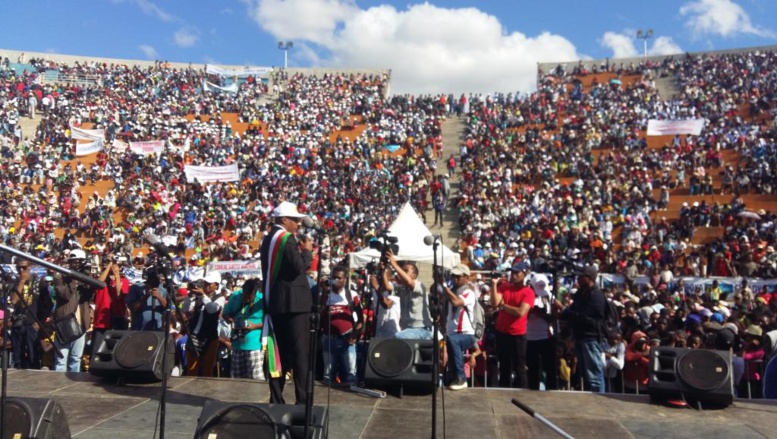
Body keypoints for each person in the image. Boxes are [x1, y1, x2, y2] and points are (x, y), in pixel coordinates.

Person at [260, 201, 313, 405]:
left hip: (277, 303)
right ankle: (302, 401)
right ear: (284, 220)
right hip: (295, 305)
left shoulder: (268, 239)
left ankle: (276, 398)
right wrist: (307, 252)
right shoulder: (286, 239)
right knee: (300, 354)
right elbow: (298, 267)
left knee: (278, 354)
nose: (298, 224)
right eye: (295, 220)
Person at [560, 265, 607, 392]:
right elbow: (573, 311)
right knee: (587, 374)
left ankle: (600, 401)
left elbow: (585, 317)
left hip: (590, 337)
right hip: (580, 335)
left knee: (594, 375)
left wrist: (568, 312)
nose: (579, 279)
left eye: (582, 276)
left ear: (590, 278)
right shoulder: (581, 293)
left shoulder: (596, 295)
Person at [490, 261, 534, 388]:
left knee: (519, 368)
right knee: (504, 367)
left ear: (524, 274)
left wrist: (503, 306)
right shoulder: (504, 287)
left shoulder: (528, 292)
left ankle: (522, 394)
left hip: (517, 334)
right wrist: (493, 285)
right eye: (512, 272)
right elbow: (494, 303)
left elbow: (520, 312)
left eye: (517, 272)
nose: (513, 275)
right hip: (502, 332)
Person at [51, 250, 94, 372]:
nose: (77, 264)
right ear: (69, 262)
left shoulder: (85, 277)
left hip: (81, 323)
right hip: (64, 322)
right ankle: (59, 385)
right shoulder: (60, 276)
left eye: (80, 262)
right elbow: (65, 295)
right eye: (75, 262)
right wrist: (74, 280)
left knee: (76, 358)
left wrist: (88, 280)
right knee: (61, 359)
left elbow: (89, 297)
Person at [320, 265, 363, 387]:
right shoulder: (325, 295)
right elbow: (319, 314)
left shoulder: (351, 295)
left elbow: (360, 318)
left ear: (345, 279)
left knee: (350, 374)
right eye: (333, 277)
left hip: (347, 338)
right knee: (328, 375)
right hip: (328, 338)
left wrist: (356, 334)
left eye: (339, 278)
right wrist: (324, 293)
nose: (335, 280)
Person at [441, 263, 477, 391]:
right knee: (449, 357)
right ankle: (452, 378)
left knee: (453, 341)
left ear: (466, 278)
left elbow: (457, 302)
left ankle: (462, 378)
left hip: (466, 333)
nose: (455, 279)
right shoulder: (453, 292)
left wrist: (445, 287)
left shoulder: (468, 293)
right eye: (453, 276)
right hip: (452, 333)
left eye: (458, 276)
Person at [183, 271, 226, 377]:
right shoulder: (198, 297)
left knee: (207, 370)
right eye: (205, 283)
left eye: (209, 283)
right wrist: (190, 295)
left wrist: (202, 296)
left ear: (216, 285)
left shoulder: (220, 298)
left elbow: (212, 309)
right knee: (192, 369)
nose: (206, 285)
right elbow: (186, 308)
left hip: (210, 337)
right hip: (194, 334)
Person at [221, 278, 264, 380]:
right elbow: (225, 314)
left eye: (251, 296)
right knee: (237, 378)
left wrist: (254, 326)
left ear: (255, 292)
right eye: (246, 295)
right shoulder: (236, 296)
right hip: (237, 344)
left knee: (255, 377)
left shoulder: (262, 299)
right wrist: (233, 322)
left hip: (254, 346)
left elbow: (269, 321)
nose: (248, 298)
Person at [386, 249, 432, 340]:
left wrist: (394, 264)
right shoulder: (402, 288)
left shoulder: (419, 285)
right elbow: (387, 287)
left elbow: (409, 282)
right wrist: (385, 269)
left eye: (405, 271)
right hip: (408, 329)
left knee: (397, 337)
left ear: (414, 275)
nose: (401, 273)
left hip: (421, 329)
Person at [526, 273, 558, 390]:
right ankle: (533, 390)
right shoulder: (528, 296)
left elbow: (556, 314)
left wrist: (542, 313)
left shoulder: (549, 296)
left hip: (546, 337)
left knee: (550, 369)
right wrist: (531, 310)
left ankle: (553, 391)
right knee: (532, 369)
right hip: (530, 337)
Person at [9, 260, 43, 369]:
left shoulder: (39, 283)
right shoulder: (15, 283)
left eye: (23, 267)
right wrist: (21, 282)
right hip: (18, 323)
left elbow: (47, 304)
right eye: (18, 267)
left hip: (32, 324)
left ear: (29, 267)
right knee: (18, 358)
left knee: (33, 356)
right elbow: (13, 300)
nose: (20, 270)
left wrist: (40, 321)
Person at [125, 261, 168, 331]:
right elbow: (133, 309)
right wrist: (146, 296)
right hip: (140, 329)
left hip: (157, 329)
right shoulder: (136, 288)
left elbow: (168, 307)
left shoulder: (163, 290)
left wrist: (159, 297)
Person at [93, 259, 129, 334]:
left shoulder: (124, 281)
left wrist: (117, 276)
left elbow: (119, 295)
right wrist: (108, 267)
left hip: (119, 317)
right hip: (102, 320)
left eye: (116, 266)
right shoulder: (100, 280)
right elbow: (97, 283)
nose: (113, 267)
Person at [368, 262, 401, 338]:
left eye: (382, 275)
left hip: (391, 333)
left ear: (389, 277)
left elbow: (387, 304)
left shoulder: (393, 287)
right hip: (379, 332)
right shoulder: (376, 289)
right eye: (378, 274)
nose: (379, 277)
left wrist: (376, 287)